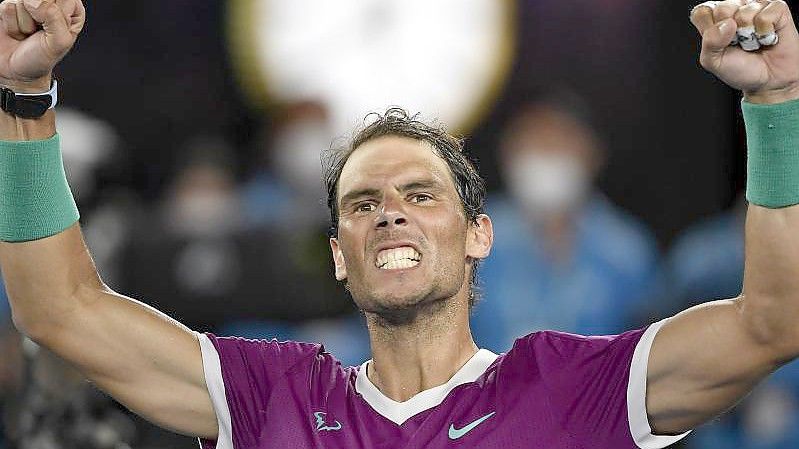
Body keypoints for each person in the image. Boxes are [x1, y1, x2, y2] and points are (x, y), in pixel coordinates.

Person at [1, 0, 799, 448]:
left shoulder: (571, 388)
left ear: (480, 233)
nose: (387, 209)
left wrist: (772, 107)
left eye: (420, 194)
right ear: (339, 257)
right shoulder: (270, 396)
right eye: (361, 202)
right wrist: (24, 100)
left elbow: (772, 322)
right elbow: (60, 310)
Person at [473, 91, 659, 351]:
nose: (547, 154)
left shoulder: (626, 250)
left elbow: (647, 348)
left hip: (598, 389)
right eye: (535, 142)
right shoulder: (472, 236)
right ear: (507, 151)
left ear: (593, 153)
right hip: (487, 388)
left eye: (559, 142)